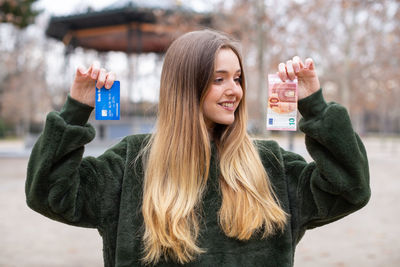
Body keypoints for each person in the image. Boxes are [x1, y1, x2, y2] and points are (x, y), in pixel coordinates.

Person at [26, 29, 370, 267]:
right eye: (218, 79)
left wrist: (316, 106)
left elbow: (350, 189)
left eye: (237, 78)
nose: (234, 89)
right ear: (185, 86)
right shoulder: (131, 163)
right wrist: (76, 109)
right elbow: (48, 193)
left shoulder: (271, 165)